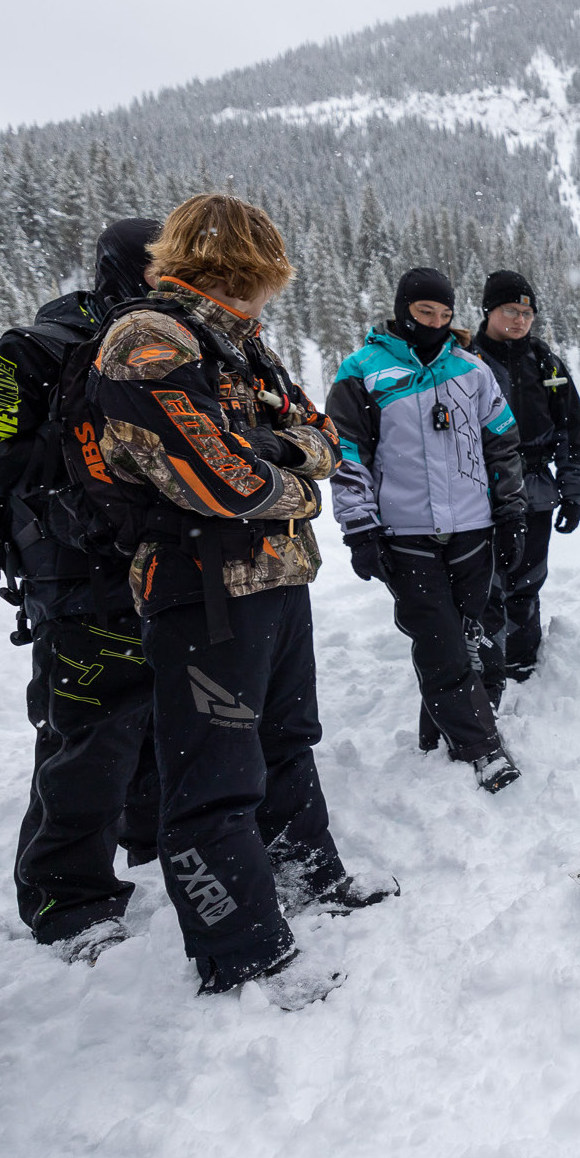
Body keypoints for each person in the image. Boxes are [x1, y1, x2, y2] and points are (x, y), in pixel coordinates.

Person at [93, 193, 393, 1007]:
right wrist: (291, 484)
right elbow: (218, 478)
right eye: (263, 275)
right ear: (241, 268)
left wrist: (280, 457)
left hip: (275, 578)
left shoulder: (240, 343)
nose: (268, 293)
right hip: (201, 589)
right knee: (213, 774)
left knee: (288, 741)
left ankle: (307, 876)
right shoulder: (147, 339)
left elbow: (322, 438)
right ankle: (243, 949)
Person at [0, 219, 163, 961]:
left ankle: (151, 833)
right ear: (124, 270)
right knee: (88, 729)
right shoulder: (37, 347)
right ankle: (63, 896)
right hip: (73, 568)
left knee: (157, 709)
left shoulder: (167, 340)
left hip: (158, 558)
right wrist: (88, 445)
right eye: (162, 267)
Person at [327, 267, 526, 791]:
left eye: (444, 315)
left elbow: (502, 443)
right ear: (402, 310)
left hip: (472, 528)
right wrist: (359, 528)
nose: (436, 324)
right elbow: (347, 454)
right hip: (403, 532)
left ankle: (439, 732)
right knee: (439, 636)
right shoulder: (361, 372)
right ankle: (482, 748)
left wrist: (510, 512)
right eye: (424, 314)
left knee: (474, 632)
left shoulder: (471, 369)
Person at [468, 270, 580, 697]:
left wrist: (572, 492)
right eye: (510, 311)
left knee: (528, 577)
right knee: (485, 582)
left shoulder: (546, 362)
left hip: (536, 488)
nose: (520, 320)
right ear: (488, 311)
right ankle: (484, 661)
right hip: (477, 490)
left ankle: (521, 657)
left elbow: (572, 430)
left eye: (527, 312)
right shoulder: (466, 358)